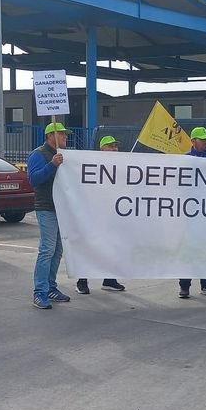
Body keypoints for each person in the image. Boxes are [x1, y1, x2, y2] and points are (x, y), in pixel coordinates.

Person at [29, 122, 75, 309]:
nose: (66, 137)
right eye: (62, 134)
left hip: (61, 208)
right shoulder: (38, 154)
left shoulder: (65, 155)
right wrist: (51, 165)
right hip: (46, 207)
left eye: (66, 134)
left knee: (57, 250)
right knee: (47, 249)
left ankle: (50, 287)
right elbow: (34, 179)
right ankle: (39, 291)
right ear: (50, 136)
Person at [76, 135, 126, 294]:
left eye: (115, 146)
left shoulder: (121, 166)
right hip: (93, 214)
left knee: (112, 246)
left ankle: (109, 280)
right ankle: (82, 281)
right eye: (111, 146)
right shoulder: (92, 164)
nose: (114, 149)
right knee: (89, 247)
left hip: (112, 214)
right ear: (102, 148)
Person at [179, 127, 206, 299]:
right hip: (189, 216)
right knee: (189, 252)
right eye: (202, 139)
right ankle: (184, 286)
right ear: (193, 141)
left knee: (205, 251)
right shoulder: (185, 160)